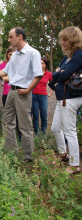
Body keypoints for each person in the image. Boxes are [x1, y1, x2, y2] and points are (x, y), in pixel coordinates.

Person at [0, 27, 43, 162]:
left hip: (23, 92)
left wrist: (27, 90)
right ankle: (11, 152)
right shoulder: (14, 55)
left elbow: (38, 75)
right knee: (7, 121)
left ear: (20, 37)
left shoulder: (33, 53)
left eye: (11, 37)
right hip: (12, 92)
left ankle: (28, 157)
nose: (9, 40)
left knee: (24, 125)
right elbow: (4, 72)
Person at [51, 26, 82, 174]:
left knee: (69, 130)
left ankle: (75, 165)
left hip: (71, 97)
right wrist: (59, 73)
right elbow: (55, 75)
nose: (61, 42)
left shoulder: (78, 55)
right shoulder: (66, 57)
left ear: (72, 40)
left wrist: (60, 73)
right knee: (55, 128)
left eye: (64, 40)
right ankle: (64, 154)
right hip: (62, 97)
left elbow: (62, 75)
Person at [32, 57, 53, 134]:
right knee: (35, 116)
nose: (40, 64)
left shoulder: (49, 74)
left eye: (42, 63)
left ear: (46, 65)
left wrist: (50, 93)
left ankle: (43, 133)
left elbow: (52, 84)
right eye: (39, 63)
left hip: (43, 96)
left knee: (44, 115)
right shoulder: (34, 72)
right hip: (34, 95)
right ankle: (37, 133)